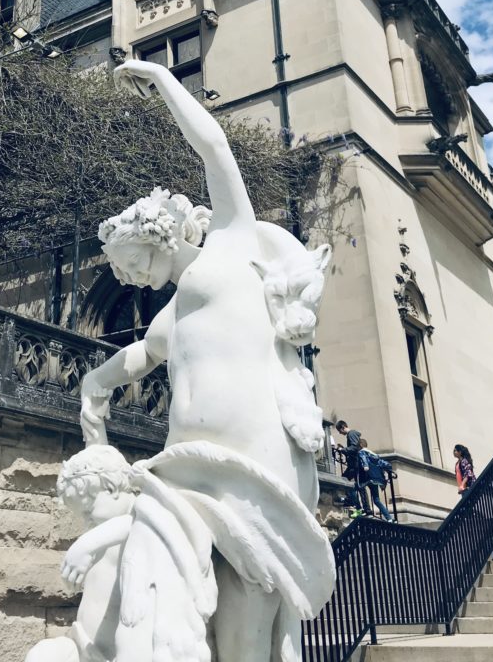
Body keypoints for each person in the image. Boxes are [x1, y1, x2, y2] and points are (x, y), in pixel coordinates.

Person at [79, 58, 335, 662]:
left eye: (132, 260)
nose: (132, 278)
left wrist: (164, 82)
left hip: (253, 455)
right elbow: (140, 355)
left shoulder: (231, 242)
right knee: (189, 608)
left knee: (249, 618)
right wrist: (97, 382)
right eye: (122, 272)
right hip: (181, 467)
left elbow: (213, 145)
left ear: (162, 232)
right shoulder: (172, 315)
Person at [24, 445, 138, 662]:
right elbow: (99, 453)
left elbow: (139, 523)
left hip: (116, 656)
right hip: (82, 646)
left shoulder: (141, 514)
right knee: (42, 656)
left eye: (87, 511)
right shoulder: (107, 524)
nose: (86, 522)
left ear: (112, 488)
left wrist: (86, 544)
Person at [335, 420, 369, 517]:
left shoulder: (351, 434)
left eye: (339, 430)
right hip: (354, 464)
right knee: (355, 484)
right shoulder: (353, 434)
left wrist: (343, 449)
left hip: (355, 465)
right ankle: (360, 506)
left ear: (343, 427)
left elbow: (355, 448)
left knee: (350, 482)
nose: (340, 433)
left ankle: (357, 505)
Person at [357, 438, 395, 522]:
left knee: (357, 487)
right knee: (376, 500)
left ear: (360, 445)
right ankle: (389, 518)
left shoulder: (361, 452)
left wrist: (365, 466)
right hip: (376, 479)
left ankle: (364, 509)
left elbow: (363, 458)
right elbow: (384, 464)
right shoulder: (375, 455)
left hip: (368, 478)